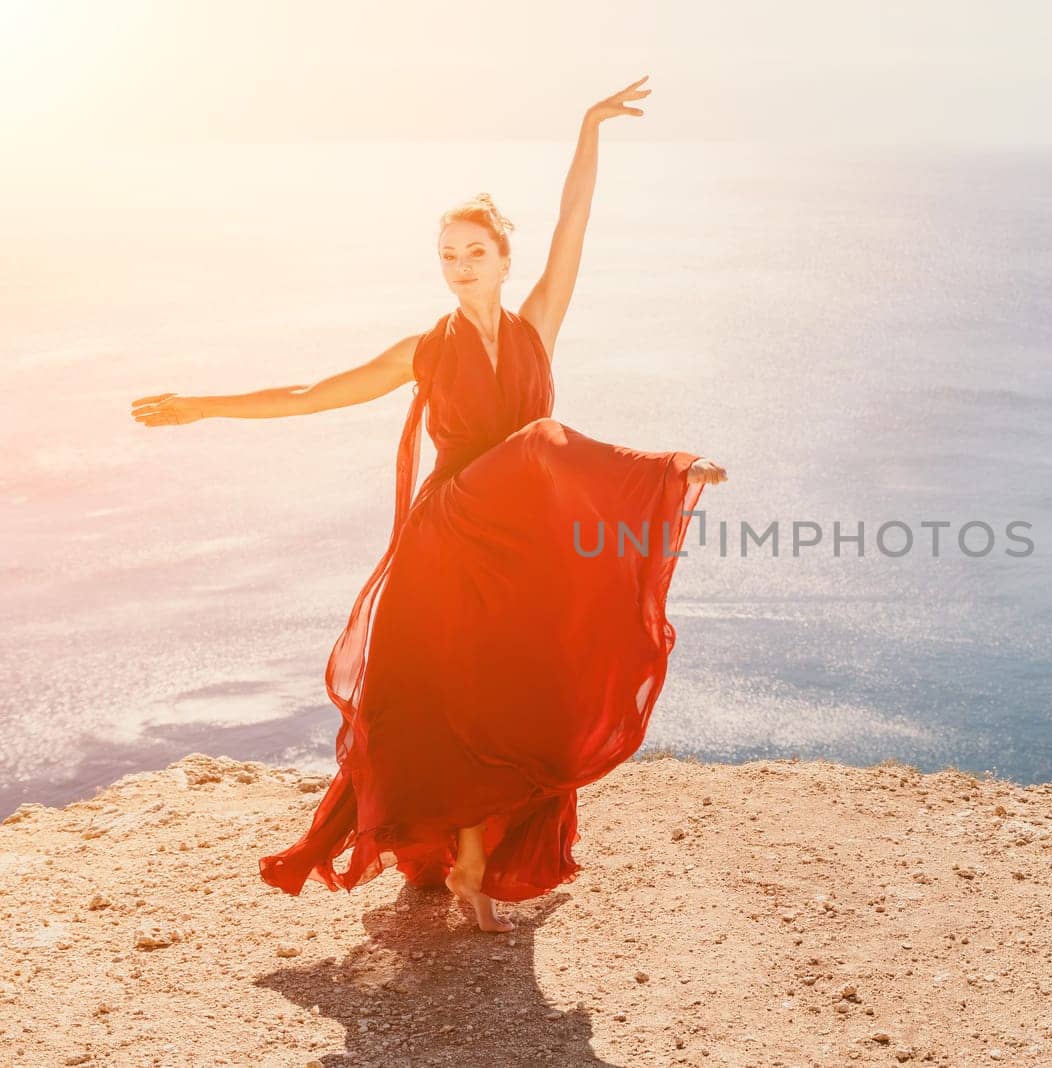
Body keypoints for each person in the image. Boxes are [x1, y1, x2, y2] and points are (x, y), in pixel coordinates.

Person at [130, 75, 727, 933]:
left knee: (506, 702)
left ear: (502, 258)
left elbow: (574, 224)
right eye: (447, 255)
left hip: (520, 549)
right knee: (534, 454)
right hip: (448, 541)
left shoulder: (535, 325)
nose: (459, 267)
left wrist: (589, 127)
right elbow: (309, 393)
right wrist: (202, 404)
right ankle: (661, 469)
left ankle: (471, 869)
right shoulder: (423, 349)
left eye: (474, 252)